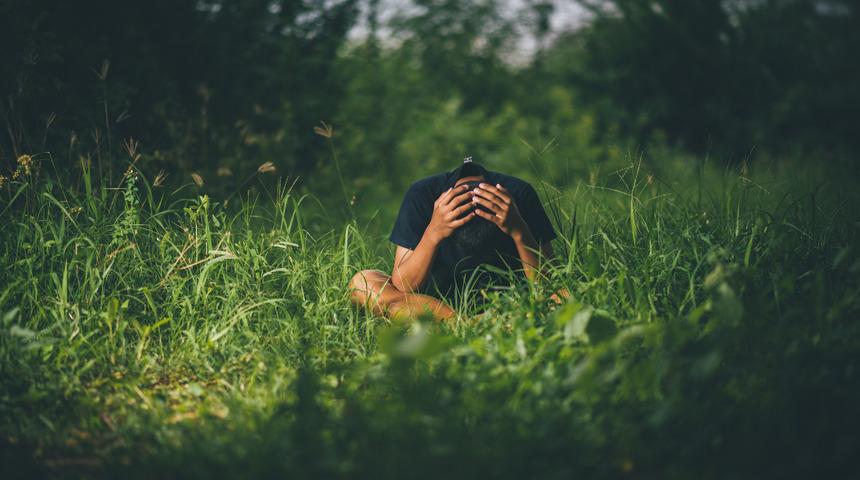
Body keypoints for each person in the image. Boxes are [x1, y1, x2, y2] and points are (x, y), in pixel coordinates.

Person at [348, 159, 560, 321]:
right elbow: (404, 286)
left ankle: (468, 323)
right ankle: (458, 323)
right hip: (436, 304)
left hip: (513, 301)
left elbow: (548, 284)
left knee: (565, 294)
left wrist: (518, 229)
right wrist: (434, 232)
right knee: (363, 282)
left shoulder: (518, 194)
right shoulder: (422, 195)